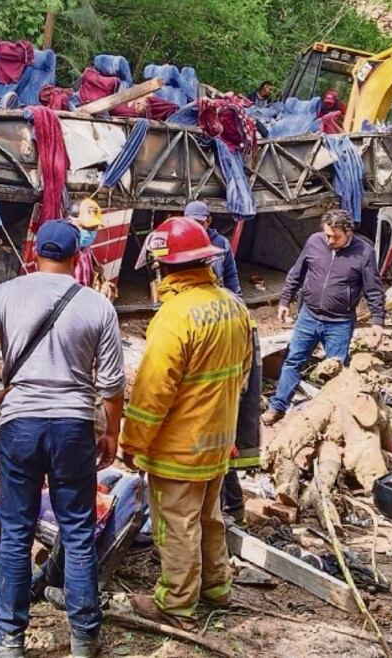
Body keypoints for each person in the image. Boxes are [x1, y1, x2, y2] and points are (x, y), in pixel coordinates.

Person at [0, 219, 126, 658]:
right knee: (79, 532)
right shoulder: (97, 306)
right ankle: (84, 639)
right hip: (73, 427)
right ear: (77, 258)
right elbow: (113, 385)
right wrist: (112, 434)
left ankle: (9, 641)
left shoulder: (7, 294)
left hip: (20, 426)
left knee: (17, 531)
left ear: (34, 254)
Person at [121, 217, 252, 632]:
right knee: (210, 519)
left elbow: (151, 392)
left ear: (164, 267)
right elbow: (243, 375)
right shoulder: (233, 306)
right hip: (218, 442)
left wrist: (132, 441)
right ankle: (217, 589)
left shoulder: (175, 317)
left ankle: (176, 605)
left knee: (176, 526)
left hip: (179, 447)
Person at [263, 209, 386, 425]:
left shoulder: (364, 253)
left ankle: (335, 419)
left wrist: (378, 321)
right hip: (308, 316)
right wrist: (285, 300)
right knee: (293, 362)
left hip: (340, 323)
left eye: (335, 236)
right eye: (327, 235)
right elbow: (296, 273)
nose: (330, 240)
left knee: (336, 371)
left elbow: (374, 289)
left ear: (349, 231)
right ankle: (277, 408)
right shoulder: (314, 242)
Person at [184, 200, 259, 523]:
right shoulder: (201, 316)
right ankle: (227, 507)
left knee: (219, 448)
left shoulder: (220, 247)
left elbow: (233, 283)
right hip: (221, 394)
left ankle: (229, 507)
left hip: (214, 398)